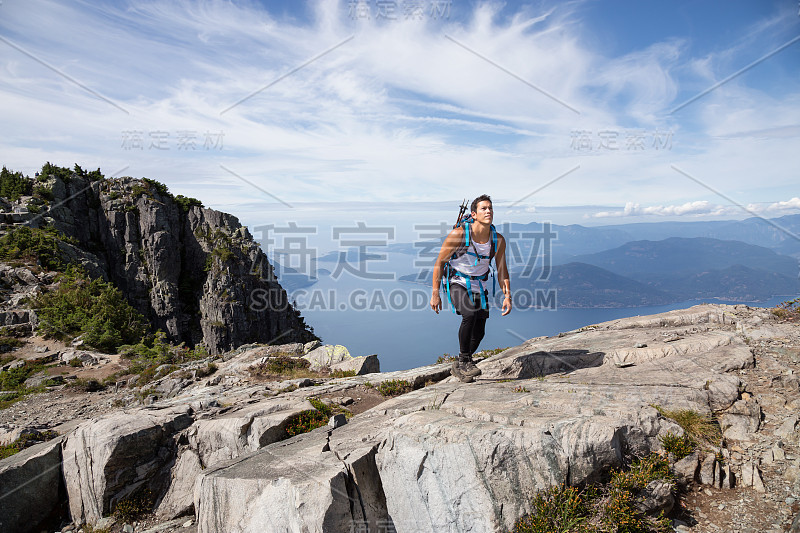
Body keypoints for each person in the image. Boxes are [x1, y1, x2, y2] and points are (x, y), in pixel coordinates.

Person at [430, 195, 511, 382]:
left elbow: (502, 270)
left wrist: (507, 295)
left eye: (490, 208)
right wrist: (435, 294)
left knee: (480, 331)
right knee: (470, 314)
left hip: (480, 286)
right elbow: (439, 263)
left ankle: (459, 364)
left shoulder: (497, 240)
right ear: (473, 214)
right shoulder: (458, 235)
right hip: (457, 281)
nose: (488, 211)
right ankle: (466, 361)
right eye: (483, 208)